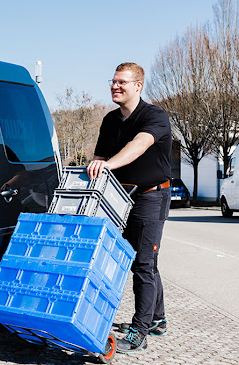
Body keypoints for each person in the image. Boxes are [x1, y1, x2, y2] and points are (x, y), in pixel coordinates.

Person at [87, 62, 172, 354]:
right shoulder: (110, 120)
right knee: (142, 261)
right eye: (113, 81)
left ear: (138, 86)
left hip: (151, 196)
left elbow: (140, 144)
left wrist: (108, 164)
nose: (115, 86)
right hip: (121, 198)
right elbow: (99, 156)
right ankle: (157, 319)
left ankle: (140, 331)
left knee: (144, 264)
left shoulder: (155, 116)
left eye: (122, 82)